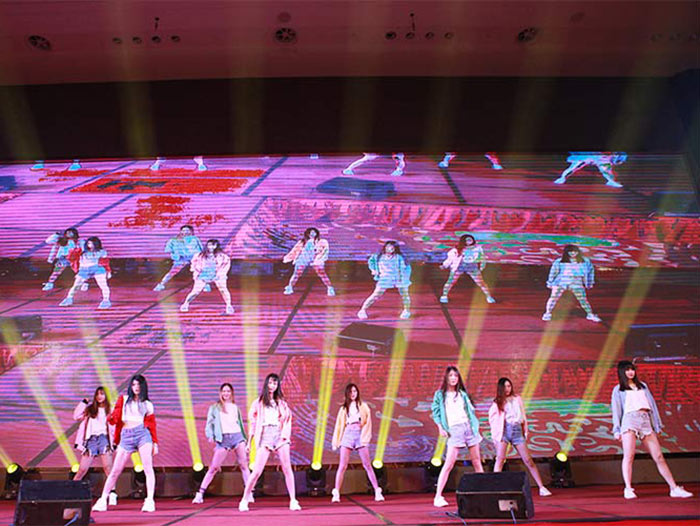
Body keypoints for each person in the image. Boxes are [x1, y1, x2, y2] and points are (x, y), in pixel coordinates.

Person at [611, 361, 693, 500]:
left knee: (658, 456)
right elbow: (616, 410)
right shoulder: (618, 389)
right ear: (621, 372)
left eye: (632, 369)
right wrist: (617, 430)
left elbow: (652, 406)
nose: (630, 372)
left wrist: (657, 425)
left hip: (645, 420)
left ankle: (674, 488)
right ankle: (628, 488)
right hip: (629, 420)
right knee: (629, 456)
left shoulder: (643, 386)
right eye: (627, 370)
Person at [92, 375, 158, 513]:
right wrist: (111, 418)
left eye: (138, 385)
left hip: (142, 434)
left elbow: (152, 425)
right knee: (115, 470)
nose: (136, 387)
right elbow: (115, 418)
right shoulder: (123, 400)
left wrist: (155, 443)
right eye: (134, 385)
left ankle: (149, 500)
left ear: (143, 386)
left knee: (148, 468)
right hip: (126, 436)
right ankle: (103, 500)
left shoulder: (147, 404)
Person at [239, 373, 301, 512]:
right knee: (256, 471)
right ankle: (244, 499)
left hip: (279, 434)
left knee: (287, 468)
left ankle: (293, 500)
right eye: (270, 383)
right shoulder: (258, 402)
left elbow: (287, 419)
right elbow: (253, 423)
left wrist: (285, 435)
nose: (272, 386)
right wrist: (249, 442)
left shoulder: (282, 403)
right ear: (266, 384)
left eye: (275, 383)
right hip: (265, 435)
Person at [488, 378, 551, 497]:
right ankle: (496, 488)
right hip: (504, 431)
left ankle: (541, 487)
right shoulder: (497, 403)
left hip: (517, 431)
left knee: (528, 460)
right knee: (500, 460)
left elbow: (523, 416)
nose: (507, 389)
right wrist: (496, 437)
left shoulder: (517, 399)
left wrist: (525, 431)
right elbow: (492, 420)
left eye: (509, 386)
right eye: (505, 387)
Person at [431, 366, 483, 508]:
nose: (453, 378)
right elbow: (435, 412)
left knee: (477, 461)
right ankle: (438, 496)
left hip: (469, 427)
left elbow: (469, 412)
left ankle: (484, 492)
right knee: (449, 464)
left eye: (455, 375)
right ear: (446, 378)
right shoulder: (440, 395)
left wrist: (474, 426)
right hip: (454, 429)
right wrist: (441, 428)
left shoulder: (462, 394)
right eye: (451, 375)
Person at [193, 383, 250, 504]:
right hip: (223, 439)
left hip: (237, 436)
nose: (226, 393)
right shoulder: (215, 407)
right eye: (224, 391)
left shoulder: (235, 407)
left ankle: (249, 493)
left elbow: (239, 423)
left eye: (228, 391)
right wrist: (210, 435)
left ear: (232, 393)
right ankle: (200, 494)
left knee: (244, 465)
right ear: (220, 393)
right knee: (214, 467)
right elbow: (209, 423)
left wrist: (244, 438)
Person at [330, 383, 384, 503]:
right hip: (348, 434)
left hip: (360, 434)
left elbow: (368, 422)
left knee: (367, 465)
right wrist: (336, 441)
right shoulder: (343, 409)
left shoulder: (363, 406)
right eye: (350, 392)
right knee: (342, 466)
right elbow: (339, 426)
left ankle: (377, 490)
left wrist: (365, 436)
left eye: (355, 391)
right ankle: (336, 492)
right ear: (347, 394)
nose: (353, 394)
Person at [72, 387, 118, 505]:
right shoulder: (90, 409)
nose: (99, 396)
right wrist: (84, 402)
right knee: (82, 469)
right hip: (91, 440)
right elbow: (76, 416)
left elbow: (117, 424)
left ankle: (112, 493)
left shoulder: (110, 410)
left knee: (108, 467)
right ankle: (71, 491)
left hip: (104, 439)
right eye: (97, 394)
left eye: (102, 394)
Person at [542, 244, 600, 322]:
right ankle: (547, 313)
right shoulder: (559, 261)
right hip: (561, 282)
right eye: (570, 252)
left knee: (582, 299)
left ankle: (590, 314)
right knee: (553, 298)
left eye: (575, 251)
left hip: (577, 282)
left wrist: (589, 282)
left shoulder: (585, 261)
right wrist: (550, 282)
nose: (573, 253)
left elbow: (590, 272)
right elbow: (553, 272)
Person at [357, 241, 412, 320]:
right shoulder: (378, 256)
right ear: (385, 247)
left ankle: (406, 311)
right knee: (375, 295)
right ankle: (362, 310)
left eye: (392, 247)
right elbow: (371, 262)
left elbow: (405, 268)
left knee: (405, 294)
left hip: (399, 278)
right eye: (388, 246)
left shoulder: (399, 257)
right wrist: (374, 270)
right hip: (385, 278)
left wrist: (404, 278)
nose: (390, 248)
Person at [180, 239, 234, 314]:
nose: (211, 247)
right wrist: (197, 272)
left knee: (223, 289)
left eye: (213, 245)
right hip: (203, 274)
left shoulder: (223, 256)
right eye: (209, 245)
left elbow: (226, 266)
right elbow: (194, 264)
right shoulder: (199, 255)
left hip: (217, 274)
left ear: (216, 246)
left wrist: (220, 274)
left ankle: (229, 306)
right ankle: (186, 304)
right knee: (195, 292)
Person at [440, 234, 495, 304]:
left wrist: (482, 266)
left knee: (480, 282)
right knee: (451, 281)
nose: (469, 241)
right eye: (466, 240)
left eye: (470, 239)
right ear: (463, 241)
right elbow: (450, 258)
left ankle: (488, 296)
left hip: (472, 267)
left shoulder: (478, 248)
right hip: (459, 267)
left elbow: (482, 257)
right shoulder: (457, 249)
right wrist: (444, 265)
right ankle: (444, 296)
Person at [59, 236, 111, 309]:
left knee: (103, 285)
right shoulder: (82, 251)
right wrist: (74, 250)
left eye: (92, 243)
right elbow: (70, 257)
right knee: (76, 285)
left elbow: (105, 262)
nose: (90, 245)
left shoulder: (101, 252)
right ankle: (69, 298)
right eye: (89, 243)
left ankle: (106, 300)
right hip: (84, 269)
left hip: (97, 268)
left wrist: (108, 271)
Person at [282, 227, 335, 296]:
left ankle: (330, 288)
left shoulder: (322, 241)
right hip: (303, 257)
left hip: (316, 258)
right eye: (310, 232)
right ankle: (290, 287)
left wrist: (320, 258)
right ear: (307, 234)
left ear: (316, 233)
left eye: (314, 232)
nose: (312, 234)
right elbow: (295, 250)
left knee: (321, 272)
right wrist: (289, 258)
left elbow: (325, 250)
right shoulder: (302, 242)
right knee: (297, 273)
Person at [154, 225, 206, 291]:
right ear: (181, 231)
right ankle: (161, 284)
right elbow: (168, 249)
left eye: (187, 230)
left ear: (191, 231)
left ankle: (205, 285)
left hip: (193, 258)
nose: (185, 232)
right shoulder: (174, 240)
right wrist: (176, 254)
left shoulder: (195, 239)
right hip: (181, 258)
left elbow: (201, 249)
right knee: (173, 272)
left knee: (200, 270)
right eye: (184, 230)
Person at [554, 152, 626, 187]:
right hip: (588, 156)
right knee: (574, 167)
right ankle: (562, 178)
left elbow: (616, 161)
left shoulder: (611, 157)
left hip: (602, 158)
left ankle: (611, 181)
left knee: (606, 170)